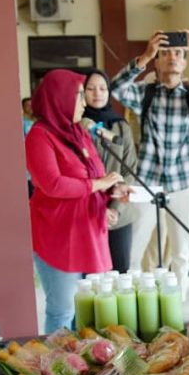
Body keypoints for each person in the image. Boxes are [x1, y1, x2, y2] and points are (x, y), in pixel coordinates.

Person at [110, 29, 189, 291]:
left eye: (178, 53)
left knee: (180, 252)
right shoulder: (145, 94)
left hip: (183, 182)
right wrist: (145, 56)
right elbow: (116, 88)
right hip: (148, 181)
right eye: (165, 53)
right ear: (157, 62)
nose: (172, 57)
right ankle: (135, 300)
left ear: (184, 62)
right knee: (136, 248)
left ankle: (177, 305)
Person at [26, 69, 124, 331]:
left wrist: (111, 191)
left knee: (95, 308)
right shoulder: (39, 135)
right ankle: (57, 358)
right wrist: (98, 185)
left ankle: (88, 356)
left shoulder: (78, 131)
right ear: (60, 99)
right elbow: (53, 184)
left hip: (89, 230)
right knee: (63, 310)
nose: (84, 102)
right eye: (79, 95)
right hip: (59, 235)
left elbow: (95, 173)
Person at [82, 68, 138, 273]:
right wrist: (99, 209)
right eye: (91, 88)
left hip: (119, 214)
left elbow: (130, 169)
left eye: (103, 88)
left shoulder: (121, 126)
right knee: (91, 276)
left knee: (120, 272)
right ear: (82, 93)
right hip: (86, 213)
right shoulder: (76, 126)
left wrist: (115, 209)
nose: (97, 93)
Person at [23, 96, 35, 197]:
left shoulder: (38, 120)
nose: (30, 107)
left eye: (32, 105)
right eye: (28, 105)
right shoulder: (22, 122)